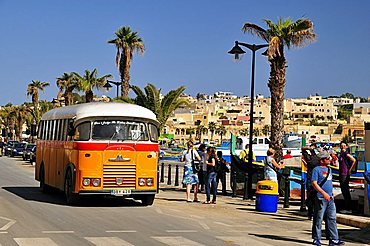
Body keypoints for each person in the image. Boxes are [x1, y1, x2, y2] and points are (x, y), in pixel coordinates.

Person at [311, 151, 345, 246]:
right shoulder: (316, 170)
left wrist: (332, 193)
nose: (329, 160)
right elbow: (314, 183)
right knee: (319, 218)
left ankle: (333, 239)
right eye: (327, 158)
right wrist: (323, 193)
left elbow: (329, 183)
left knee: (332, 218)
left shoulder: (329, 169)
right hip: (321, 197)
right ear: (321, 160)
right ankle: (317, 238)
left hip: (330, 198)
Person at [302, 143, 320, 220]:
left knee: (310, 196)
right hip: (317, 179)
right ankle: (315, 212)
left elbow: (303, 149)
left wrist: (309, 148)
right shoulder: (319, 158)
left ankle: (310, 213)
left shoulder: (309, 159)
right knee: (316, 196)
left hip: (310, 179)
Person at [338, 141, 356, 214]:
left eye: (344, 146)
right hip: (341, 173)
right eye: (341, 146)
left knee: (345, 191)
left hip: (344, 174)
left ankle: (348, 208)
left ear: (346, 146)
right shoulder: (341, 154)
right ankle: (347, 207)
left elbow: (354, 160)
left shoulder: (346, 154)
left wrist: (350, 170)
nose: (342, 147)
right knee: (344, 190)